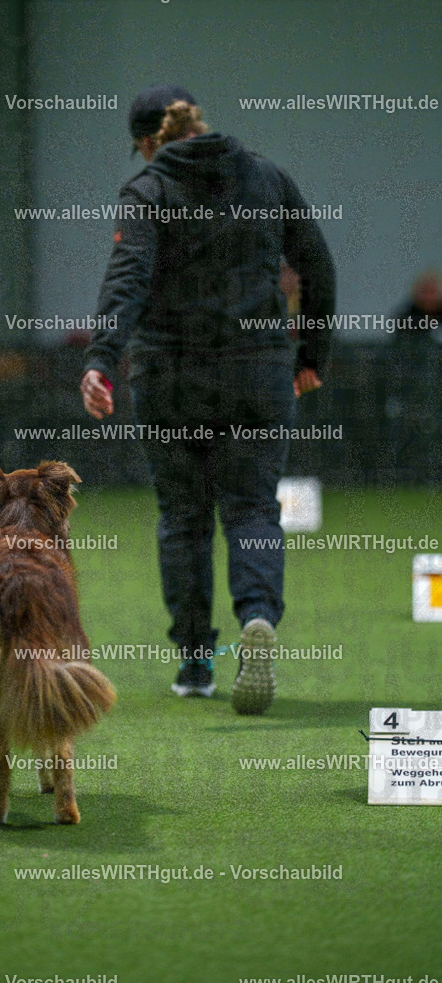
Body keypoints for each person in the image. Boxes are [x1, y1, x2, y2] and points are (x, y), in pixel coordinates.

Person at [80, 85, 336, 713]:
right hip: (258, 372)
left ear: (148, 142)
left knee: (184, 517)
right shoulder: (267, 178)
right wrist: (312, 356)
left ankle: (196, 662)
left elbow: (127, 278)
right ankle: (258, 617)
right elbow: (318, 265)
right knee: (252, 510)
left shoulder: (148, 190)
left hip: (170, 377)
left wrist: (102, 359)